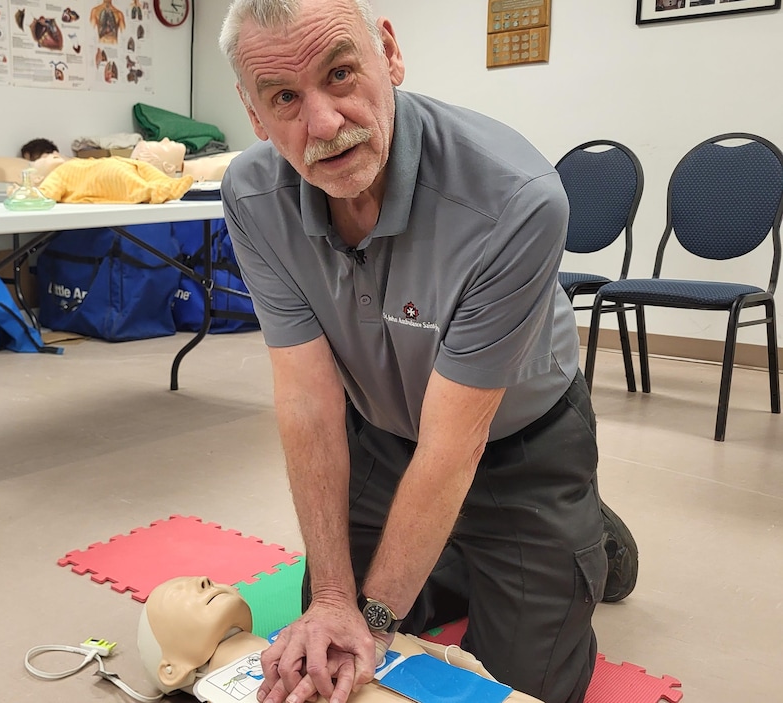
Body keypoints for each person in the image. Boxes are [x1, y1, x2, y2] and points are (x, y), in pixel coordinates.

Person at [215, 2, 638, 703]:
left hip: (520, 443)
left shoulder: (515, 198)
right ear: (255, 115)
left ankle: (590, 537)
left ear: (389, 53)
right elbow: (308, 401)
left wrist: (373, 617)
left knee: (516, 686)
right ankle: (461, 550)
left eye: (342, 73)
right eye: (285, 97)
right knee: (323, 636)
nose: (322, 124)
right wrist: (332, 596)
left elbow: (453, 444)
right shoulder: (253, 195)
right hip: (380, 434)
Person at [136, 576, 543, 703]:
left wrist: (453, 660)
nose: (206, 580)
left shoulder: (305, 631)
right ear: (170, 669)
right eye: (181, 592)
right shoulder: (227, 691)